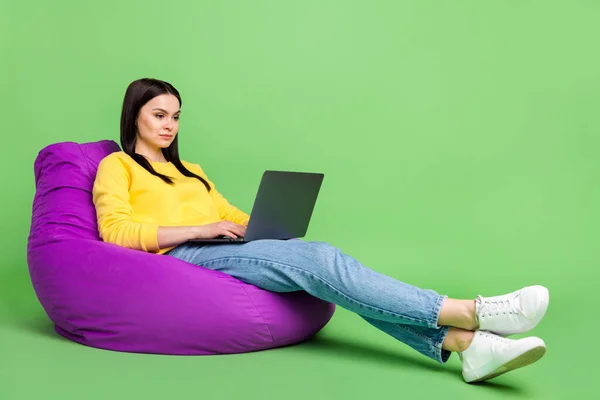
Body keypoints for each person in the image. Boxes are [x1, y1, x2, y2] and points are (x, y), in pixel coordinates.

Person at [92, 78, 550, 383]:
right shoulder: (117, 166)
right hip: (182, 254)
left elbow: (227, 212)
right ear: (135, 115)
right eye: (159, 115)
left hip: (216, 243)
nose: (170, 125)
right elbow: (116, 231)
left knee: (320, 271)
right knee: (322, 261)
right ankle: (470, 311)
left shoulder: (190, 170)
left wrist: (263, 223)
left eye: (175, 115)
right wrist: (202, 227)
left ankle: (465, 347)